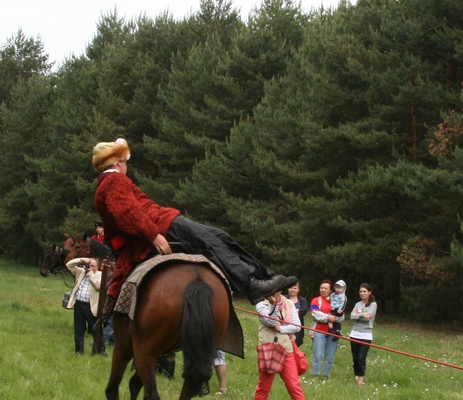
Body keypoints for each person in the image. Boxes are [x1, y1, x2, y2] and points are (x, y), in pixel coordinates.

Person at [90, 138, 294, 304]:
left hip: (163, 220)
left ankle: (264, 277)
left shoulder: (108, 183)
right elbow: (129, 212)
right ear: (117, 162)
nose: (126, 166)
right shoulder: (114, 180)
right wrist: (153, 235)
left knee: (220, 236)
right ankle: (251, 283)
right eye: (125, 161)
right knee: (211, 242)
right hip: (162, 223)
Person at [252, 289, 307, 400]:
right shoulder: (261, 305)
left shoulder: (289, 303)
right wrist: (275, 305)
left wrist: (281, 329)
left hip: (286, 349)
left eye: (277, 288)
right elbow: (270, 321)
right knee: (263, 387)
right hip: (268, 350)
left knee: (294, 386)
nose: (275, 291)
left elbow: (297, 326)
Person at [64, 256, 101, 354]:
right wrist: (81, 260)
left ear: (98, 266)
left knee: (95, 329)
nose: (90, 267)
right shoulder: (80, 272)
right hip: (79, 304)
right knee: (78, 329)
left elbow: (99, 286)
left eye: (93, 266)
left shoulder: (100, 275)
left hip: (91, 306)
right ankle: (79, 351)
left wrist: (90, 273)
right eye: (89, 265)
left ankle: (101, 350)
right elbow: (69, 265)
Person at [308, 281, 339, 377]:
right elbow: (315, 314)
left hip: (333, 332)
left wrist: (334, 318)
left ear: (330, 290)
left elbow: (340, 315)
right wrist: (328, 317)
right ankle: (315, 375)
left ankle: (326, 375)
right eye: (321, 288)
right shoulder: (315, 300)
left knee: (330, 356)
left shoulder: (336, 301)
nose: (323, 290)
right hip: (319, 331)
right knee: (317, 355)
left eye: (325, 288)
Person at [349, 284, 377, 386]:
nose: (362, 293)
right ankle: (357, 376)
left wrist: (358, 314)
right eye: (360, 291)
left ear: (369, 292)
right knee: (355, 358)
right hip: (354, 333)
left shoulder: (373, 305)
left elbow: (368, 317)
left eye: (364, 291)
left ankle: (361, 379)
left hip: (366, 334)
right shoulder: (358, 304)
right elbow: (352, 316)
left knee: (361, 358)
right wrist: (361, 314)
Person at [287, 282, 309, 348]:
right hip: (286, 326)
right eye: (291, 288)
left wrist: (295, 311)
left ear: (298, 290)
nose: (292, 290)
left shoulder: (302, 300)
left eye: (295, 288)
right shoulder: (284, 298)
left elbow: (304, 311)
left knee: (296, 347)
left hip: (298, 328)